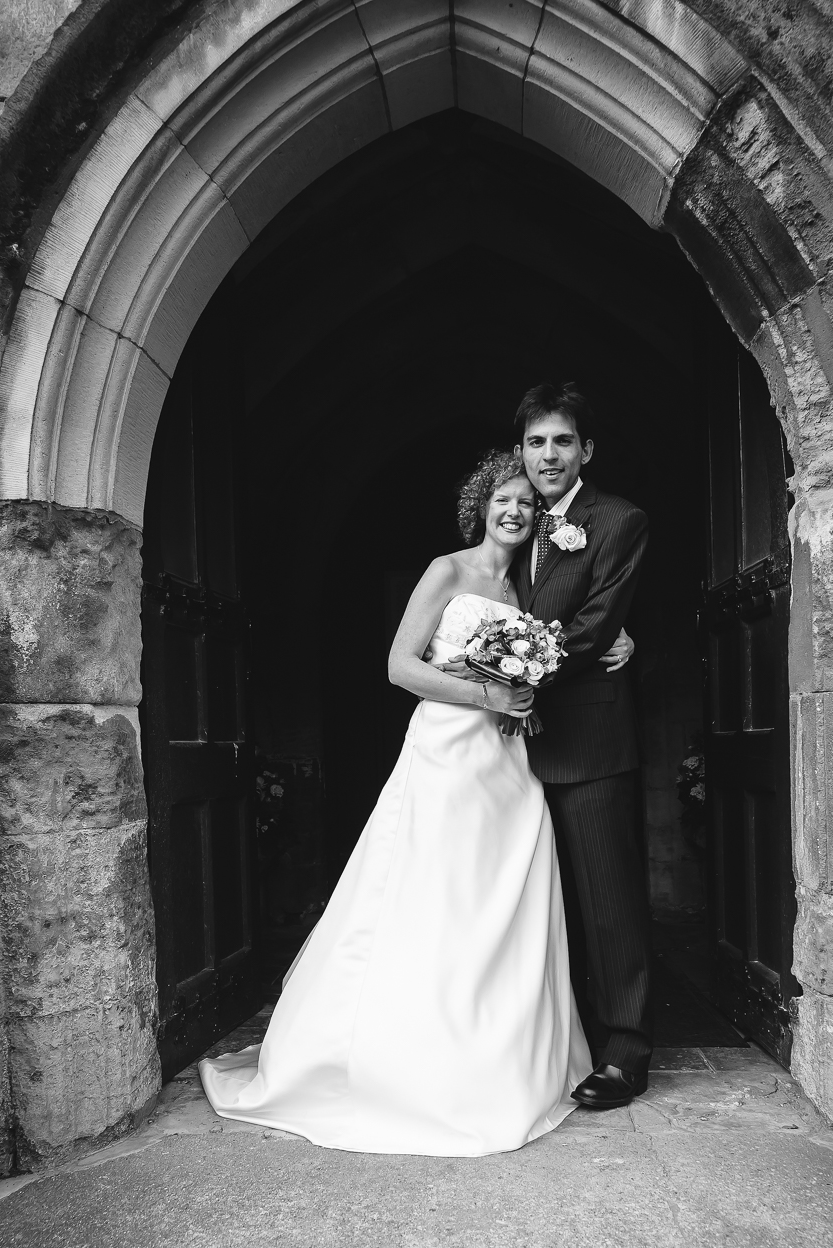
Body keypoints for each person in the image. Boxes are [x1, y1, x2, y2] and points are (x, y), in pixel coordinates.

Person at [200, 452, 590, 1154]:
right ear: (481, 505)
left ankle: (500, 1055)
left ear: (540, 518)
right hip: (446, 751)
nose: (515, 511)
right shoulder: (448, 570)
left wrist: (538, 689)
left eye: (528, 504)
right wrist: (488, 692)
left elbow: (556, 647)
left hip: (507, 760)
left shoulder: (529, 589)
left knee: (503, 894)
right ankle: (413, 1058)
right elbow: (400, 666)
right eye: (503, 499)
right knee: (434, 890)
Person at [510, 381, 654, 1111]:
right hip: (502, 749)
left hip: (587, 739)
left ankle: (625, 1051)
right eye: (536, 442)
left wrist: (510, 671)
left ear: (586, 450)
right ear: (520, 452)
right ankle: (544, 1046)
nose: (549, 455)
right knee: (525, 903)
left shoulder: (618, 520)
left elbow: (596, 626)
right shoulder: (508, 518)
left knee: (606, 900)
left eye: (563, 441)